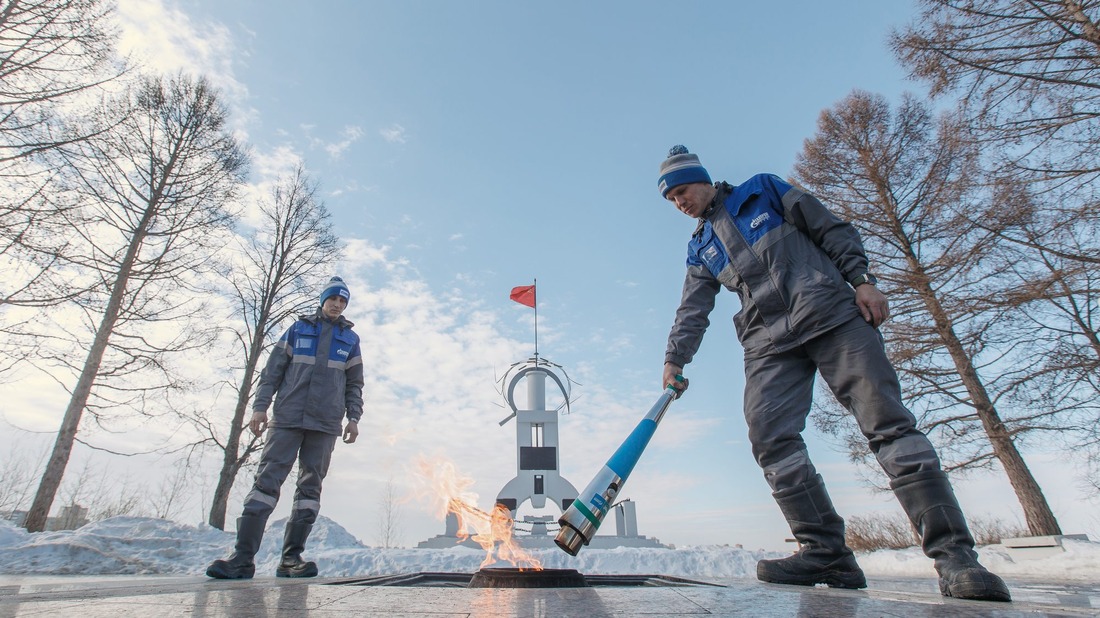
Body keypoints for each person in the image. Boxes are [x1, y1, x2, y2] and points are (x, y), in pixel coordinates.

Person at [656, 145, 1011, 602]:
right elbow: (692, 309)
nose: (680, 203)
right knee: (769, 436)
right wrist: (674, 359)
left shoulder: (762, 191)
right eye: (672, 200)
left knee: (887, 424)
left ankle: (956, 558)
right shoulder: (700, 247)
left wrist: (861, 280)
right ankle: (825, 553)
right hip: (769, 343)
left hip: (830, 314)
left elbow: (830, 229)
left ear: (702, 179)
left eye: (682, 191)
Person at [207, 276, 364, 580]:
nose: (337, 304)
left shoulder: (350, 341)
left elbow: (355, 385)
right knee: (265, 485)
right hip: (288, 420)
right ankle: (242, 558)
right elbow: (272, 373)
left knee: (309, 489)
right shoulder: (298, 329)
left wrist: (353, 418)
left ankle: (291, 559)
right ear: (323, 300)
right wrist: (258, 408)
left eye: (343, 301)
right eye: (333, 298)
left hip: (325, 425)